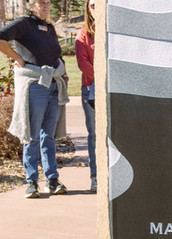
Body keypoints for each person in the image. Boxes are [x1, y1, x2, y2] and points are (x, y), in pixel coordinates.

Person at [0, 0, 70, 199]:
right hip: (35, 84)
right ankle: (31, 181)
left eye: (48, 3)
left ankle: (52, 180)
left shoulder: (49, 27)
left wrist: (63, 73)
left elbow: (55, 55)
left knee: (49, 136)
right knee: (32, 134)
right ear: (31, 6)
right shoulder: (23, 24)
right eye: (41, 3)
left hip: (54, 84)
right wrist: (17, 58)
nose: (46, 6)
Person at [75, 0, 97, 193]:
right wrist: (103, 77)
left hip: (115, 88)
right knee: (94, 135)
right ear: (87, 9)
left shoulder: (113, 32)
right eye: (92, 5)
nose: (96, 8)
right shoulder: (84, 34)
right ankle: (96, 177)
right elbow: (82, 63)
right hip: (91, 88)